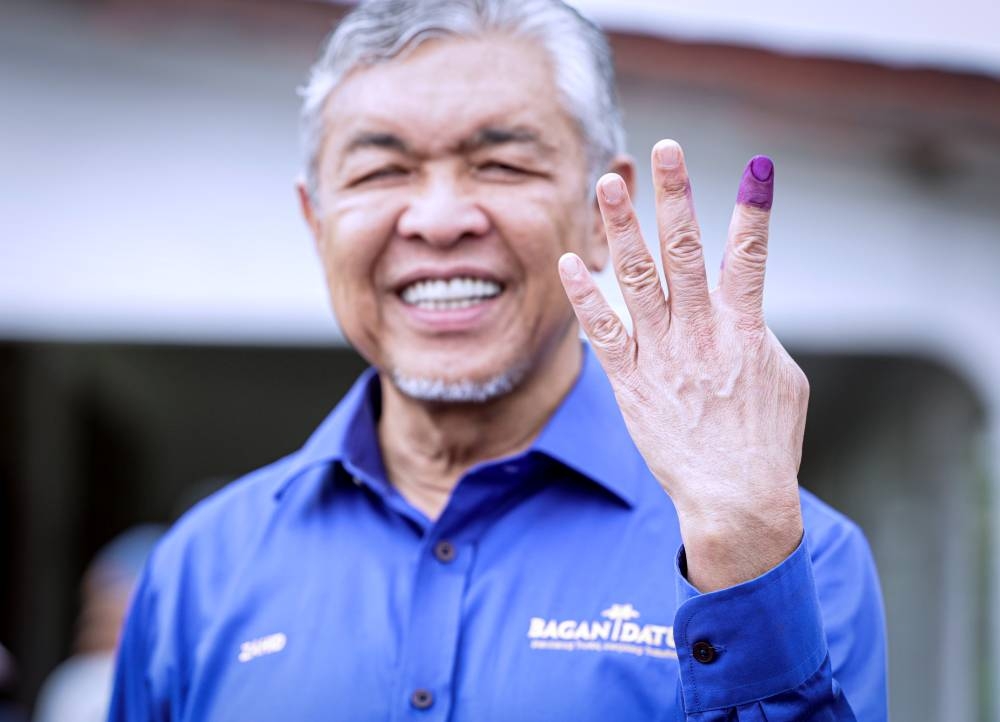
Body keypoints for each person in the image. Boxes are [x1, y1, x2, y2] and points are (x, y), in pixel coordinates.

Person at [109, 1, 888, 720]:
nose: (441, 220)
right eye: (381, 170)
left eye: (502, 164)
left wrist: (746, 563)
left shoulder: (793, 560)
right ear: (316, 221)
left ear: (596, 209)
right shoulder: (197, 572)